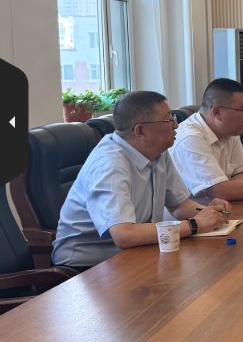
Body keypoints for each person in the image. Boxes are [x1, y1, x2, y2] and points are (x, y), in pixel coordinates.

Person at [52, 91, 231, 269]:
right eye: (169, 121)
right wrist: (195, 224)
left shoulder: (158, 152)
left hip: (136, 252)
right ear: (141, 131)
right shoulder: (110, 166)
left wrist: (211, 213)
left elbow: (178, 206)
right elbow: (124, 235)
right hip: (87, 266)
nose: (176, 126)